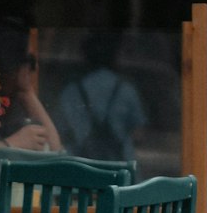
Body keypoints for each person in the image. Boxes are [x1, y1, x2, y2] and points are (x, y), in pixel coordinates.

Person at [55, 32, 146, 167]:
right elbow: (139, 133)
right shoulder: (126, 90)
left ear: (85, 57)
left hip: (80, 168)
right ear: (113, 57)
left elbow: (60, 130)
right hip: (120, 169)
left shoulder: (71, 91)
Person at [0, 19, 62, 153]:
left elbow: (56, 151)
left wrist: (27, 92)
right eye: (29, 61)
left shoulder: (16, 101)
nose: (33, 68)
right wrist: (11, 144)